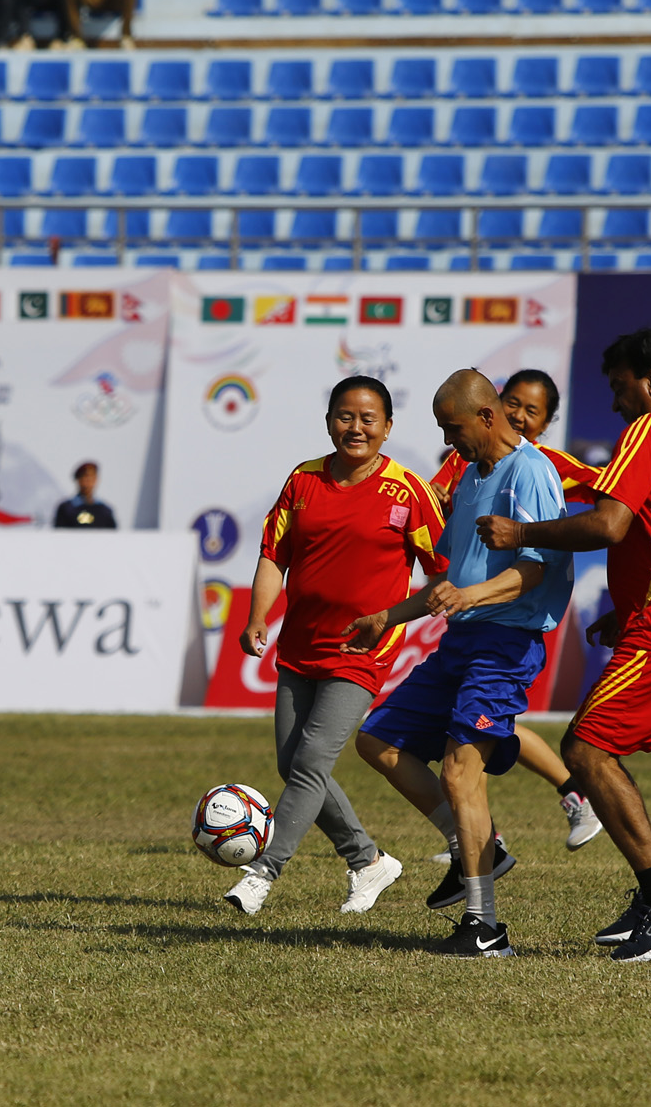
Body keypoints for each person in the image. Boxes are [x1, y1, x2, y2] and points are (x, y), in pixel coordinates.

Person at [475, 328, 651, 964]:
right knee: (597, 747)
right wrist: (628, 604)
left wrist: (521, 533)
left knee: (586, 750)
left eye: (621, 388)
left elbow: (611, 522)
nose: (618, 403)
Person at [351, 370, 574, 958]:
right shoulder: (473, 476)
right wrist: (387, 618)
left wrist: (469, 597)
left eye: (453, 428)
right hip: (461, 641)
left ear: (486, 416)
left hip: (505, 645)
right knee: (377, 741)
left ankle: (485, 927)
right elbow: (449, 580)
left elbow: (535, 570)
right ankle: (477, 845)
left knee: (459, 771)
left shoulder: (530, 472)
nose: (449, 441)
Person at [222, 376, 442, 918]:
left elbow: (444, 576)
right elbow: (274, 555)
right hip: (300, 645)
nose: (356, 428)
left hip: (364, 651)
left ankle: (262, 872)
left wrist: (391, 619)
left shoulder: (409, 491)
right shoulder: (303, 479)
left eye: (369, 419)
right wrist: (257, 617)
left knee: (312, 759)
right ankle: (367, 861)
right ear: (328, 422)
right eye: (345, 416)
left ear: (388, 427)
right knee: (293, 763)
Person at [429, 367, 605, 853]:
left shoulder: (543, 465)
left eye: (534, 411)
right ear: (494, 408)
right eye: (515, 405)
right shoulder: (467, 460)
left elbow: (612, 496)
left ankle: (566, 796)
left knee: (476, 734)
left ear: (546, 422)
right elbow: (437, 496)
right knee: (470, 735)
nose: (522, 416)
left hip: (507, 617)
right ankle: (482, 838)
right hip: (467, 617)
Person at [53, 461, 116, 529]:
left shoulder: (105, 511)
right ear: (78, 479)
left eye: (92, 476)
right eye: (85, 476)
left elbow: (112, 533)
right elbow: (59, 532)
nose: (88, 481)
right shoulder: (66, 508)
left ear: (96, 479)